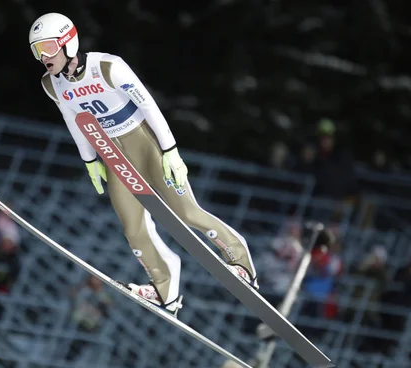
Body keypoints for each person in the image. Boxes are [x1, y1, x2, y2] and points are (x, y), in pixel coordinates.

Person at [29, 12, 259, 316]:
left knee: (184, 213)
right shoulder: (51, 84)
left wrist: (170, 151)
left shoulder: (108, 66)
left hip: (144, 141)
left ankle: (239, 257)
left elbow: (149, 106)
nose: (43, 56)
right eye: (36, 50)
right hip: (112, 153)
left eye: (46, 47)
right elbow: (72, 119)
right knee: (133, 228)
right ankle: (165, 286)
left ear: (67, 42)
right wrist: (89, 160)